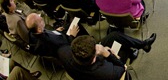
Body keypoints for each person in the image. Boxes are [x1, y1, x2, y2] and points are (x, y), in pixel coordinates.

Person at [27, 13, 156, 59]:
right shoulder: (48, 41)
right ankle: (143, 45)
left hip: (69, 38)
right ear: (38, 27)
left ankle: (132, 50)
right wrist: (71, 36)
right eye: (40, 19)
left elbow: (52, 37)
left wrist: (59, 30)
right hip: (81, 49)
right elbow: (64, 48)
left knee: (74, 19)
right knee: (115, 35)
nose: (42, 19)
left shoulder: (34, 34)